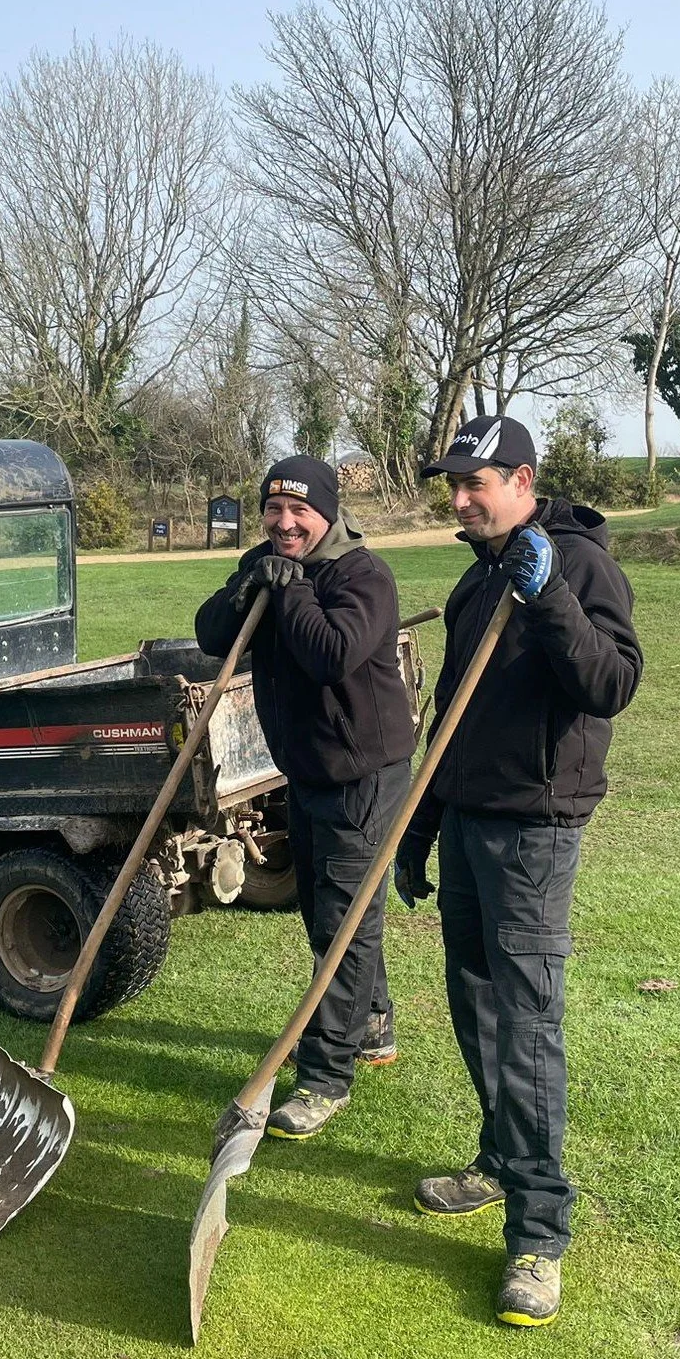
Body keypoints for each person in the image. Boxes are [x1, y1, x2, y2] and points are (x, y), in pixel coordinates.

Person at [394, 414, 643, 1328]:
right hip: (465, 820)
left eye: (477, 483)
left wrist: (550, 601)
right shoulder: (474, 579)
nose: (459, 500)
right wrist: (419, 830)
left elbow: (612, 683)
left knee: (527, 1021)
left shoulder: (577, 566)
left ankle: (539, 1234)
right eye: (452, 486)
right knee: (474, 1002)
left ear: (524, 482)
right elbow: (447, 722)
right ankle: (499, 1160)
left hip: (534, 830)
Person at [195, 456, 417, 1140]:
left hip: (363, 775)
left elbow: (331, 653)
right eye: (273, 510)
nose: (284, 523)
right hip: (307, 770)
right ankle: (370, 1025)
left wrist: (290, 593)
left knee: (343, 926)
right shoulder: (265, 562)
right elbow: (209, 635)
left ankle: (325, 1076)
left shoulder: (362, 575)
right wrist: (247, 587)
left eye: (299, 512)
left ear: (326, 513)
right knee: (326, 914)